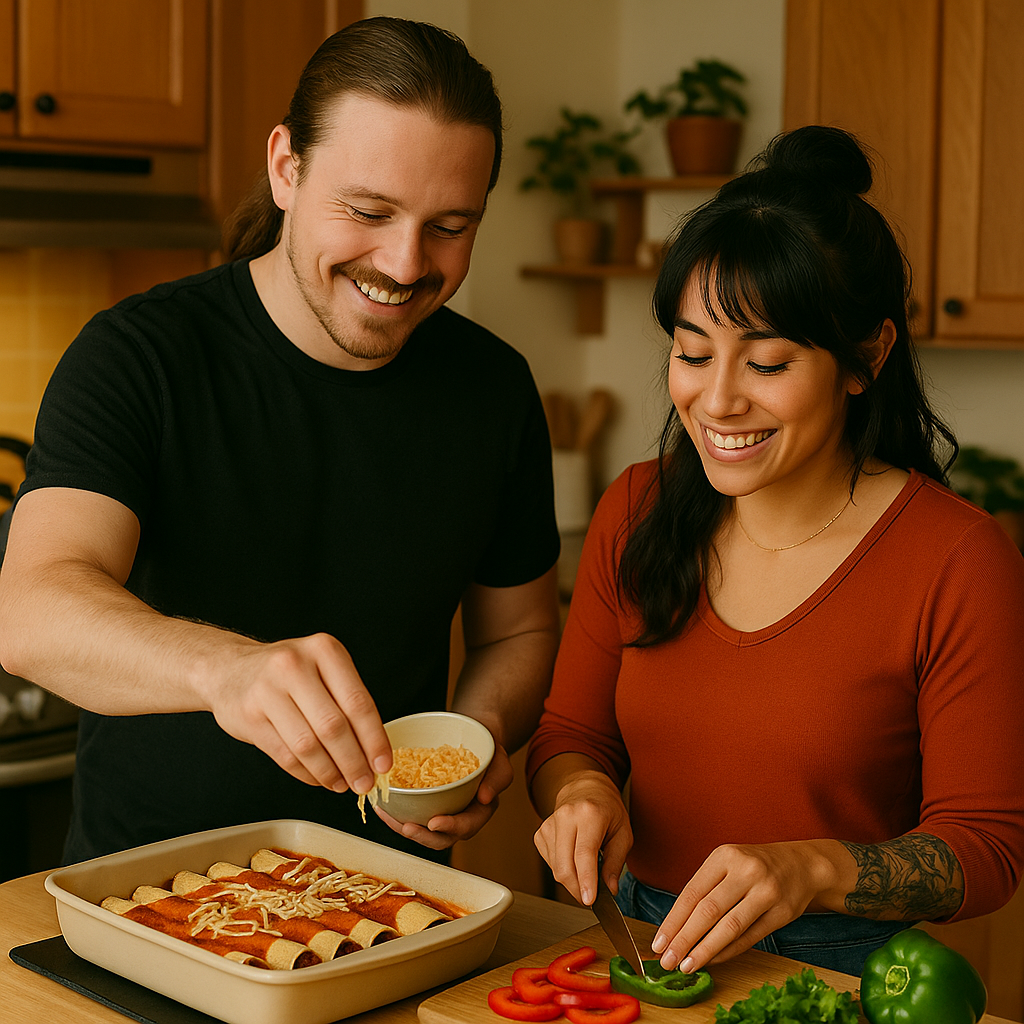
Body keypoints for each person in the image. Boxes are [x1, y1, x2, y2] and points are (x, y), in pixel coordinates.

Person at [0, 17, 560, 865]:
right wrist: (226, 673)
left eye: (451, 226)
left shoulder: (494, 388)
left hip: (392, 901)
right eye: (369, 211)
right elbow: (31, 609)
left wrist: (476, 733)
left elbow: (517, 632)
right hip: (153, 901)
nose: (407, 264)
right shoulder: (139, 356)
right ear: (286, 168)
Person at [526, 125, 1024, 977]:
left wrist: (812, 868)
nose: (716, 399)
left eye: (767, 362)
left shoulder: (959, 559)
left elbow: (985, 851)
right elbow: (571, 733)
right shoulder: (636, 508)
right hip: (641, 948)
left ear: (866, 357)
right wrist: (581, 792)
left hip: (844, 969)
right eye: (691, 352)